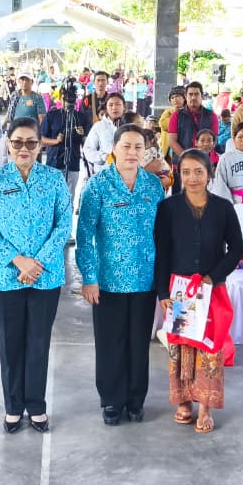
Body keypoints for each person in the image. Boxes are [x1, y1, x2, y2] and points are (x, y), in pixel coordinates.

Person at [0, 118, 71, 433]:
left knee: (38, 341)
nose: (24, 148)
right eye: (17, 142)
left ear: (40, 144)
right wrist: (18, 261)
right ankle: (13, 406)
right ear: (8, 144)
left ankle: (37, 405)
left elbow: (63, 224)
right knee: (11, 342)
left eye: (31, 142)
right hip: (8, 276)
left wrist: (37, 262)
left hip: (46, 275)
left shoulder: (54, 179)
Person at [77, 125, 165, 425]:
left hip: (145, 279)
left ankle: (136, 399)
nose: (132, 152)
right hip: (108, 281)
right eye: (126, 146)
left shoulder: (153, 186)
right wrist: (89, 278)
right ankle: (112, 400)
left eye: (138, 147)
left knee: (139, 343)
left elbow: (162, 233)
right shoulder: (98, 185)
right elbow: (84, 235)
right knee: (110, 343)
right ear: (114, 149)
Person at [153, 149, 243, 434]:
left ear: (209, 174)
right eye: (186, 172)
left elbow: (236, 249)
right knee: (181, 347)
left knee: (209, 347)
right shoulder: (168, 208)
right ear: (179, 174)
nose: (192, 178)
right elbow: (162, 252)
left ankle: (205, 406)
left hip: (211, 290)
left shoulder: (223, 208)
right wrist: (162, 292)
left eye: (199, 172)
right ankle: (183, 402)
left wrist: (212, 277)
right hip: (179, 291)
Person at [40, 85, 91, 200]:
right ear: (61, 99)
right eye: (66, 99)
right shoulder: (52, 115)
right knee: (51, 198)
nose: (69, 103)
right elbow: (41, 139)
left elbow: (89, 144)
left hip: (73, 164)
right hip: (53, 164)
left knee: (69, 198)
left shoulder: (82, 118)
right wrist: (55, 141)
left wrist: (83, 135)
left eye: (71, 99)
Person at [167, 82, 219, 162]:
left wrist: (200, 159)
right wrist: (187, 158)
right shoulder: (176, 116)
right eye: (190, 94)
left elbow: (214, 140)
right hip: (182, 162)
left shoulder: (212, 116)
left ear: (202, 96)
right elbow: (172, 141)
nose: (193, 97)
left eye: (196, 94)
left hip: (205, 162)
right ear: (185, 96)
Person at [82, 92, 127, 178]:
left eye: (118, 104)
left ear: (124, 107)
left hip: (127, 175)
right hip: (104, 175)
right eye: (110, 105)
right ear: (106, 107)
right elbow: (87, 150)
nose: (114, 107)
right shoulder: (99, 126)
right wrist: (104, 157)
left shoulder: (130, 126)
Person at [158, 86, 186, 159]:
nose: (175, 99)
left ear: (184, 97)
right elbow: (163, 125)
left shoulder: (190, 112)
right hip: (169, 151)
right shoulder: (168, 112)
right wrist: (175, 115)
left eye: (177, 96)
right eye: (172, 98)